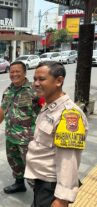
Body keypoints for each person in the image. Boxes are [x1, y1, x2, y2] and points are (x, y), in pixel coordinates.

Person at [24, 61, 88, 207]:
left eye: (41, 79)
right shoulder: (49, 106)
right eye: (34, 79)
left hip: (51, 188)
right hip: (41, 183)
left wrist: (62, 199)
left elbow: (68, 160)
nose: (36, 83)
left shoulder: (69, 115)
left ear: (59, 81)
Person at [0, 61, 42, 194]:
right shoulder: (8, 90)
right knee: (14, 162)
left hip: (28, 139)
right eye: (12, 72)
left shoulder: (35, 90)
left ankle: (39, 197)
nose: (14, 74)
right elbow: (3, 109)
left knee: (32, 167)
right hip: (11, 136)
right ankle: (19, 184)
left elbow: (46, 110)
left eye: (17, 71)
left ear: (25, 73)